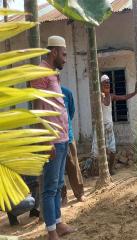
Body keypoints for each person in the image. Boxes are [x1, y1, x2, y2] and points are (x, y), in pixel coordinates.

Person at [31, 35, 75, 240]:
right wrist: (46, 139)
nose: (65, 59)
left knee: (57, 184)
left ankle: (58, 223)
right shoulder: (40, 72)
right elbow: (38, 108)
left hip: (63, 138)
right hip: (52, 140)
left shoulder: (52, 74)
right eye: (64, 54)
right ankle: (51, 232)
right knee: (49, 188)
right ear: (54, 52)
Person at [91, 74, 137, 175]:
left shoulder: (111, 96)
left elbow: (124, 97)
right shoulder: (98, 95)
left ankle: (110, 169)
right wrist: (100, 96)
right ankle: (95, 171)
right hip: (100, 127)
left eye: (108, 83)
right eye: (105, 83)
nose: (107, 85)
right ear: (101, 85)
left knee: (112, 150)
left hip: (109, 127)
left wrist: (134, 92)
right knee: (96, 152)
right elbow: (95, 105)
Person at [61, 86, 86, 205]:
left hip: (68, 136)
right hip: (54, 139)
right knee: (59, 169)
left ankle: (79, 193)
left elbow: (71, 112)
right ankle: (63, 196)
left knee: (74, 165)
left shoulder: (67, 93)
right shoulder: (46, 93)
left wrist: (66, 126)